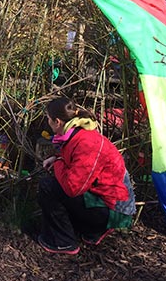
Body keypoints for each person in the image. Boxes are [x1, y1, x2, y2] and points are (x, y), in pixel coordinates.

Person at [37, 97, 136, 255]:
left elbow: (72, 188)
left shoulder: (86, 143)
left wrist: (57, 164)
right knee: (58, 184)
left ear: (57, 122)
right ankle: (91, 229)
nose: (47, 123)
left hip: (116, 210)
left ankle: (63, 242)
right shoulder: (75, 134)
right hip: (105, 199)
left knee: (48, 186)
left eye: (48, 119)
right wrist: (58, 158)